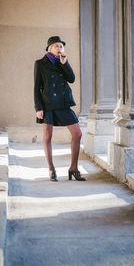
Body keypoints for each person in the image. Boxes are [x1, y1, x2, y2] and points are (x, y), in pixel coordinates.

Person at [34, 36, 86, 182]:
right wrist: (38, 107)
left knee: (77, 133)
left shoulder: (62, 62)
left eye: (61, 46)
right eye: (56, 46)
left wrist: (65, 64)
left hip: (63, 103)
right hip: (48, 104)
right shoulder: (40, 64)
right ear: (49, 48)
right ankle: (51, 169)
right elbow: (36, 88)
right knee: (48, 136)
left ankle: (73, 168)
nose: (59, 49)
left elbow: (72, 79)